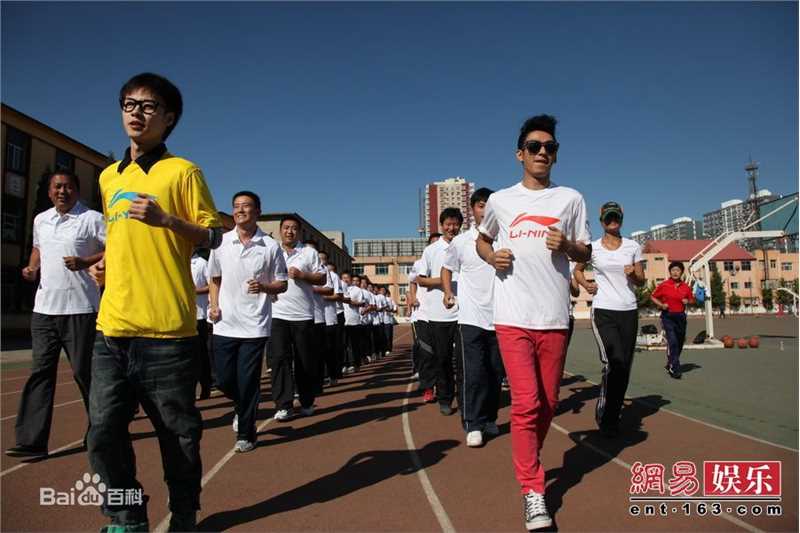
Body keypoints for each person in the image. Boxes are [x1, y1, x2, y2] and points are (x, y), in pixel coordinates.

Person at [87, 72, 224, 532]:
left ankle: (184, 513)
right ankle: (127, 516)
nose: (135, 113)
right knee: (102, 434)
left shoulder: (183, 172)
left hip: (167, 331)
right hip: (111, 328)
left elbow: (211, 235)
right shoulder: (109, 177)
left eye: (148, 106)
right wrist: (103, 262)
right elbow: (119, 237)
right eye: (129, 103)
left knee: (178, 436)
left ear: (168, 119)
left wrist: (167, 219)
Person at [476, 114, 591, 531]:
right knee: (525, 403)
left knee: (548, 403)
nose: (543, 152)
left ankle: (530, 459)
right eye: (535, 146)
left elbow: (586, 253)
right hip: (512, 315)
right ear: (520, 154)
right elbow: (483, 239)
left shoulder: (571, 199)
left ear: (556, 154)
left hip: (555, 316)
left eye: (550, 147)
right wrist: (492, 257)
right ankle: (532, 489)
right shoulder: (501, 201)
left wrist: (571, 246)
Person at [7, 170, 105, 459]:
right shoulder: (41, 219)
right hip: (44, 311)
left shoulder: (92, 219)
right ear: (49, 192)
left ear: (78, 190)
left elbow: (115, 249)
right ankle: (31, 440)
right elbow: (38, 248)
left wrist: (86, 260)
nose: (63, 191)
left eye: (68, 187)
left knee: (84, 374)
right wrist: (31, 266)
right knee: (40, 373)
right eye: (57, 187)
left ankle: (100, 432)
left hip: (81, 310)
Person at [208, 191, 288, 453]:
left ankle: (246, 433)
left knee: (248, 379)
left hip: (255, 323)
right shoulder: (220, 242)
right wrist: (214, 304)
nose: (241, 210)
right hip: (224, 322)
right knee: (222, 379)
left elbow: (282, 283)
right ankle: (242, 406)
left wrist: (264, 287)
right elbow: (214, 278)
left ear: (258, 212)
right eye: (237, 206)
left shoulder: (270, 246)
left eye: (247, 206)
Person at [574, 201, 645, 438]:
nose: (612, 221)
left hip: (629, 310)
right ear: (601, 220)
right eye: (608, 218)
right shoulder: (593, 248)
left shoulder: (633, 246)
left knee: (624, 366)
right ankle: (607, 415)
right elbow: (577, 270)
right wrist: (586, 283)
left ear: (622, 218)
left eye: (616, 217)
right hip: (604, 311)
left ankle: (613, 413)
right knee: (613, 362)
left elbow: (642, 280)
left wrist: (633, 273)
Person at [442, 187, 505, 448]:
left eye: (489, 205)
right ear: (473, 209)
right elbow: (447, 269)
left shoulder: (505, 237)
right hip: (470, 317)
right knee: (473, 373)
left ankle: (490, 418)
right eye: (480, 205)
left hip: (501, 316)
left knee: (495, 373)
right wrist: (447, 293)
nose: (485, 210)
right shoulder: (461, 242)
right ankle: (472, 423)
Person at [269, 216, 327, 421]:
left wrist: (302, 275)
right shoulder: (272, 250)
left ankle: (307, 400)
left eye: (294, 229)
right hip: (276, 314)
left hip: (302, 315)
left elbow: (322, 278)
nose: (289, 232)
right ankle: (283, 404)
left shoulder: (309, 253)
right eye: (286, 228)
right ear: (280, 230)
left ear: (299, 233)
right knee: (278, 359)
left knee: (304, 361)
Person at [417, 208, 464, 416]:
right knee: (442, 358)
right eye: (448, 224)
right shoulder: (431, 250)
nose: (451, 228)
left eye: (455, 224)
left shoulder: (466, 246)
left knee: (464, 360)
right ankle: (445, 398)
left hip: (465, 313)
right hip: (439, 314)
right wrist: (446, 280)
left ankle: (465, 397)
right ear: (441, 225)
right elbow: (421, 279)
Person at [407, 233, 441, 398]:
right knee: (426, 351)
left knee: (442, 353)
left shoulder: (448, 261)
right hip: (422, 314)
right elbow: (413, 282)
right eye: (432, 243)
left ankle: (441, 385)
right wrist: (413, 297)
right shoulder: (419, 263)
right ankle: (428, 387)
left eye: (438, 242)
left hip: (443, 314)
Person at [651, 261, 694, 379]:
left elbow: (692, 300)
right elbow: (653, 296)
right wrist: (661, 305)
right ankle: (674, 367)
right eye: (673, 270)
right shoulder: (664, 285)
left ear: (681, 272)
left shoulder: (686, 287)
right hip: (667, 316)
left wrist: (687, 301)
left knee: (679, 342)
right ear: (670, 272)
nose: (675, 272)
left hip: (680, 316)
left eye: (678, 270)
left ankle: (671, 361)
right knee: (672, 341)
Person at [191, 249, 213, 400]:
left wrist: (196, 291)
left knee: (201, 354)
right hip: (183, 316)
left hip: (200, 315)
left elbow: (212, 284)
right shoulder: (179, 260)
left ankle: (206, 385)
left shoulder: (202, 263)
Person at [319, 251, 344, 386]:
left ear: (327, 261)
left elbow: (338, 296)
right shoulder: (310, 273)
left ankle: (333, 375)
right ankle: (320, 376)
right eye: (318, 258)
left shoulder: (333, 276)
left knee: (329, 349)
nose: (320, 261)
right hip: (314, 318)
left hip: (329, 318)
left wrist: (322, 297)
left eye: (322, 259)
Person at [341, 272, 365, 373]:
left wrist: (350, 301)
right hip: (341, 320)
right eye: (343, 278)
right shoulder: (339, 288)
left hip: (354, 320)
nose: (345, 280)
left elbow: (362, 303)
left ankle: (355, 364)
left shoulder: (357, 290)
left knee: (353, 345)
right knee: (342, 344)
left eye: (347, 278)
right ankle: (344, 364)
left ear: (351, 279)